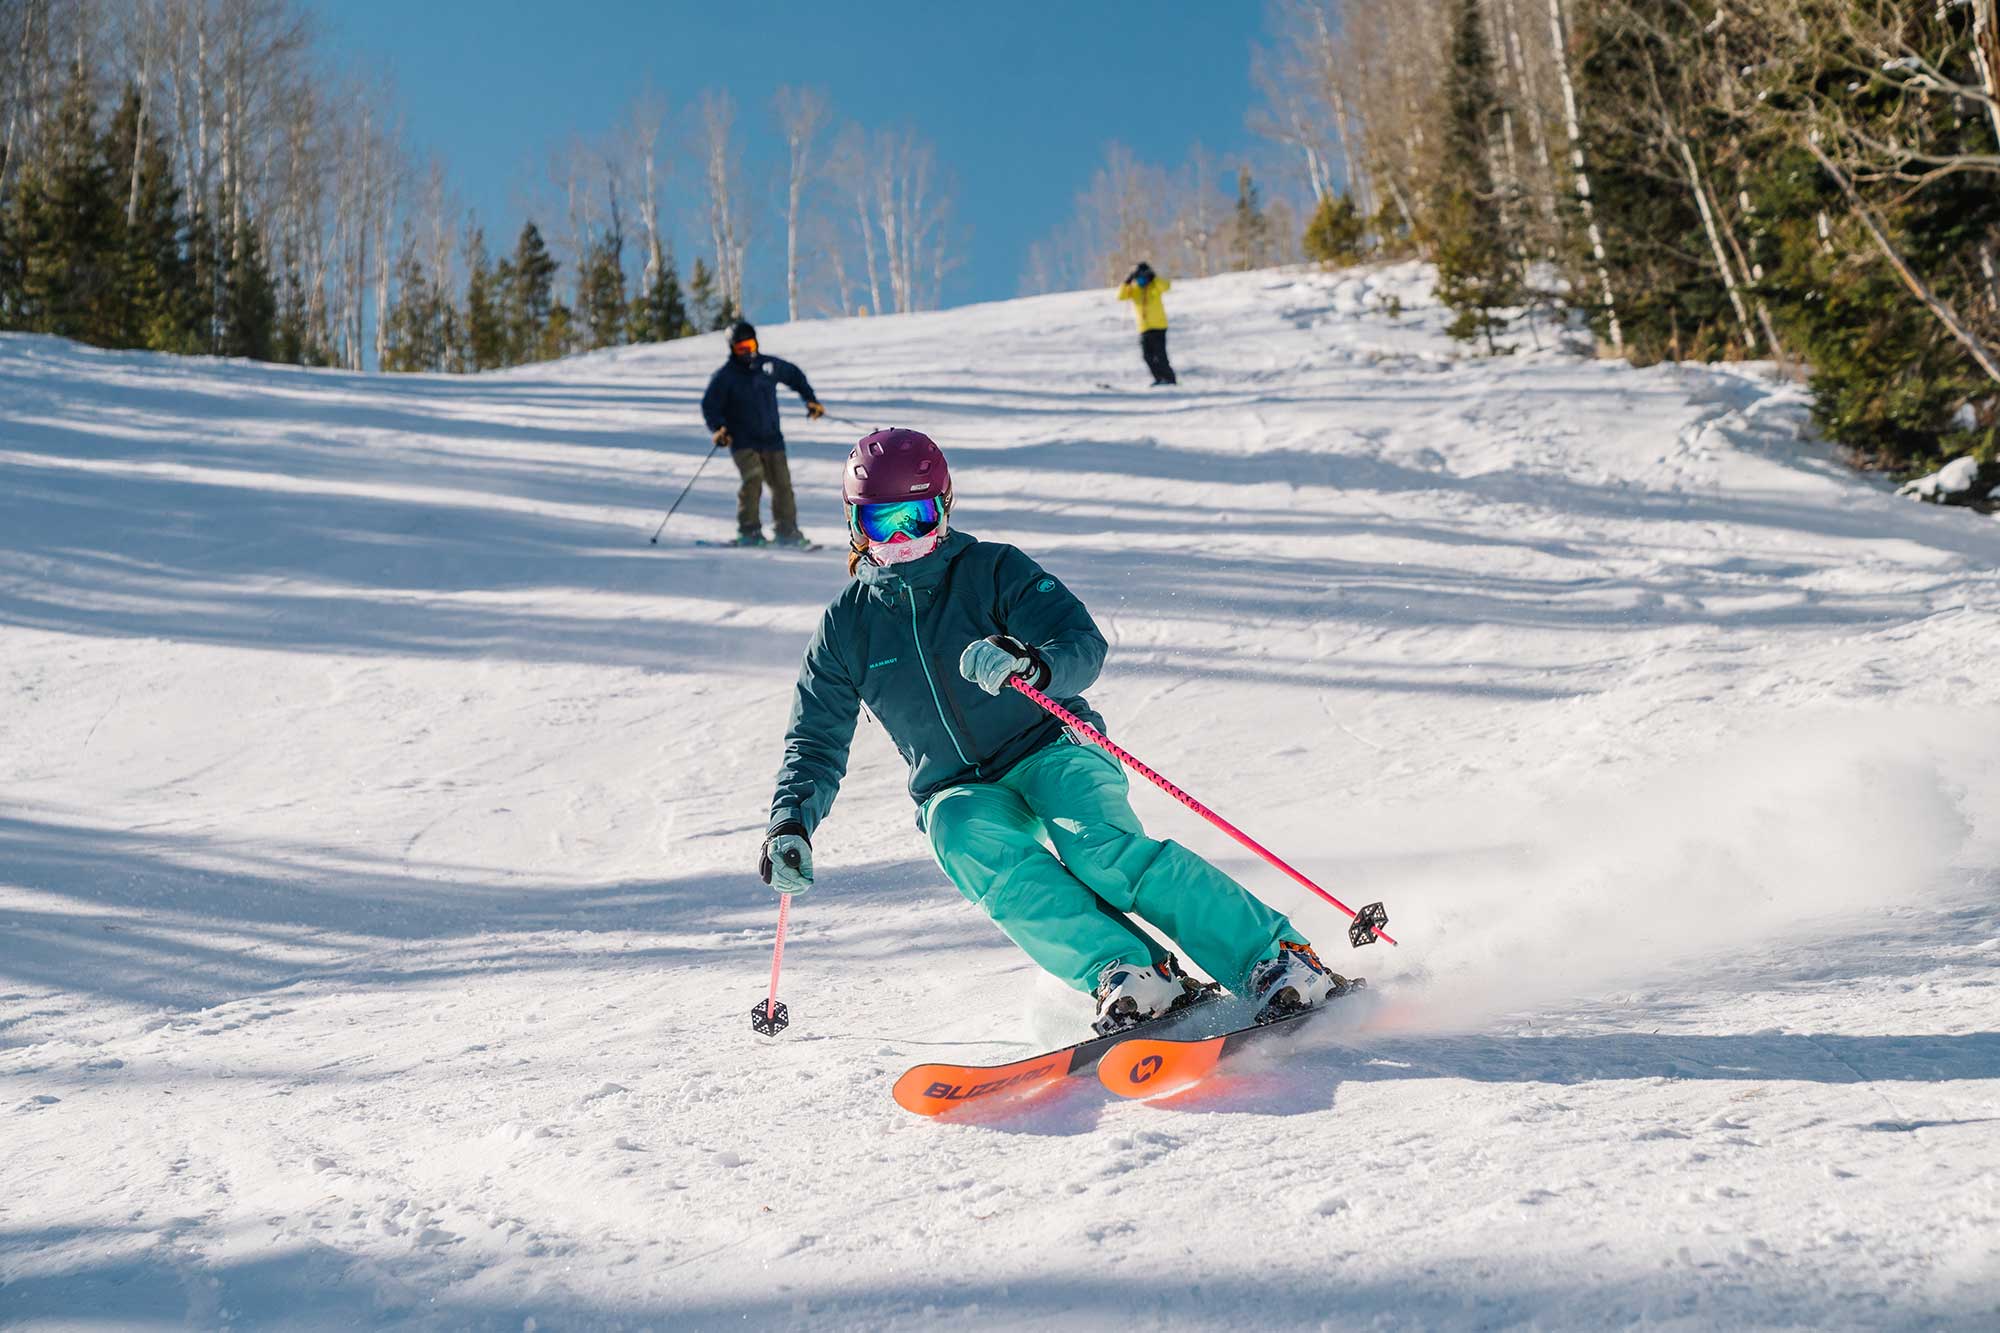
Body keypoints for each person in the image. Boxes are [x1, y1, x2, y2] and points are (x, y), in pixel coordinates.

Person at [756, 427, 1343, 1035]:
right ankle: (1132, 971)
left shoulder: (992, 570)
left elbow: (1081, 642)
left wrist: (1033, 663)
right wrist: (791, 821)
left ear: (945, 507)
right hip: (957, 785)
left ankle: (1274, 958)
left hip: (1050, 744)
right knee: (960, 836)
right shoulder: (847, 625)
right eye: (884, 523)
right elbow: (815, 737)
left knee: (1101, 852)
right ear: (856, 525)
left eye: (918, 516)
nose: (904, 539)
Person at [700, 320, 826, 547]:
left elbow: (794, 375)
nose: (747, 352)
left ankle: (787, 532)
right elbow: (710, 405)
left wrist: (810, 400)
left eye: (750, 345)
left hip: (771, 438)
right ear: (732, 349)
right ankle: (749, 531)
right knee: (753, 478)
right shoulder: (726, 376)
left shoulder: (767, 366)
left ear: (756, 342)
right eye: (741, 348)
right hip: (742, 440)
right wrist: (718, 428)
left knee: (782, 485)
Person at [1116, 261, 1177, 386]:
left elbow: (1166, 287)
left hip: (1159, 326)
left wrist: (1154, 276)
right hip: (1144, 328)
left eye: (1143, 276)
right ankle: (1159, 378)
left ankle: (1169, 379)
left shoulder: (1155, 286)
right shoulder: (1134, 289)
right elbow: (1120, 296)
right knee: (1146, 356)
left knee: (1161, 355)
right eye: (1138, 277)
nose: (1141, 279)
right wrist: (1127, 281)